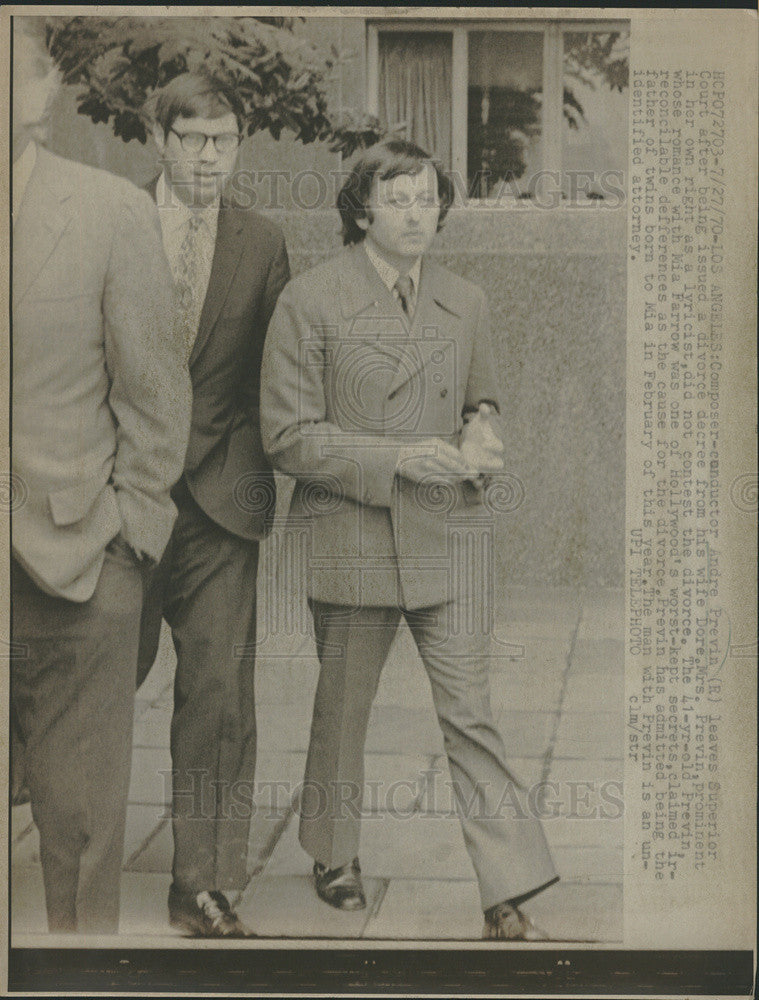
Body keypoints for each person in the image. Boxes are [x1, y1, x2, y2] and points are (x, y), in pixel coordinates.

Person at [260, 139, 559, 939]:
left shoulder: (464, 300)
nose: (416, 213)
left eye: (427, 198)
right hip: (350, 532)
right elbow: (287, 437)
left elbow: (480, 398)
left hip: (445, 533)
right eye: (397, 199)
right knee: (343, 710)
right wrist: (396, 458)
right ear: (361, 208)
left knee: (470, 714)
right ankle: (333, 852)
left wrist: (482, 434)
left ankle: (507, 888)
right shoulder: (310, 301)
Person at [11, 17, 192, 935]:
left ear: (41, 94)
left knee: (78, 827)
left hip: (74, 559)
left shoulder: (109, 212)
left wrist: (131, 542)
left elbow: (157, 396)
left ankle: (80, 977)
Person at [136, 72, 290, 937]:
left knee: (219, 694)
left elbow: (282, 373)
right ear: (158, 139)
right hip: (116, 497)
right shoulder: (109, 224)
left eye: (222, 140)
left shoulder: (261, 242)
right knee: (80, 680)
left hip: (221, 502)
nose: (206, 156)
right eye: (190, 138)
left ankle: (202, 881)